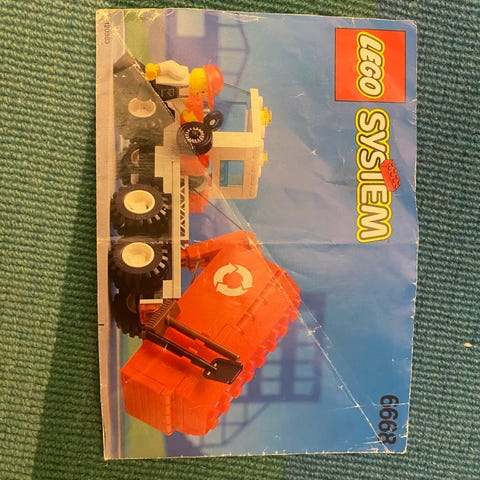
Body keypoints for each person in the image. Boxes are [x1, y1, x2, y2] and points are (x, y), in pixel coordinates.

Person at [144, 61, 224, 123]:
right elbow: (170, 65)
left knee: (169, 115)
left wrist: (184, 112)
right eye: (204, 90)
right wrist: (156, 69)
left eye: (204, 93)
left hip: (154, 97)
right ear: (203, 80)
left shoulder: (186, 94)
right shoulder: (182, 75)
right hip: (151, 80)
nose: (202, 94)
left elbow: (176, 101)